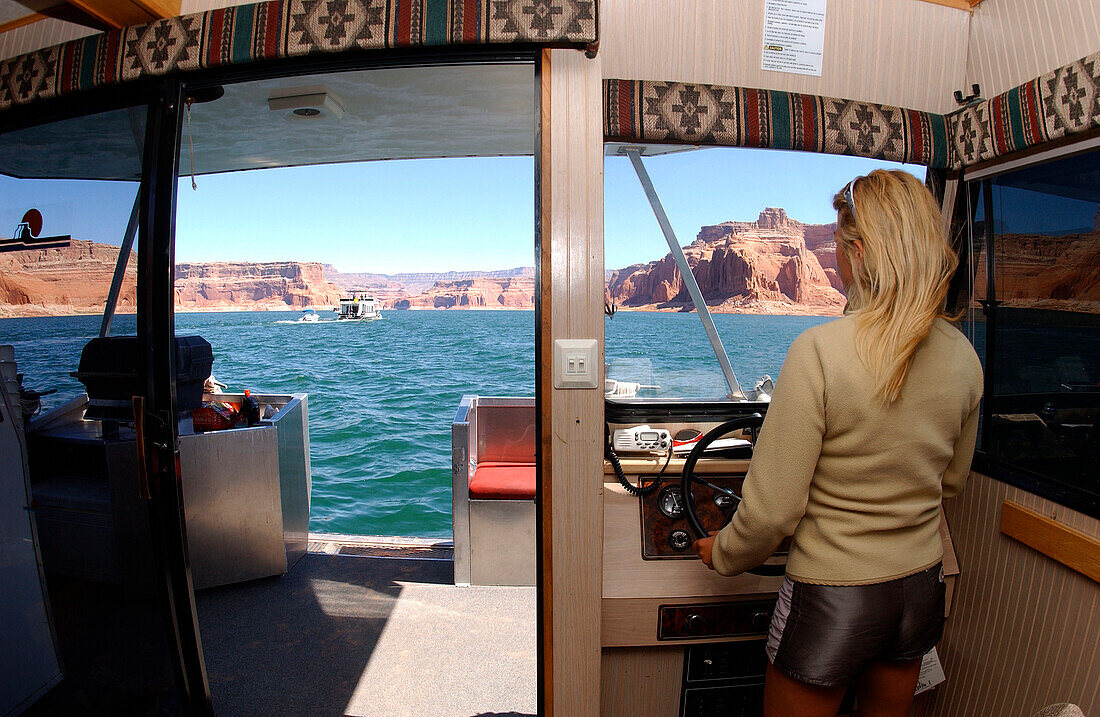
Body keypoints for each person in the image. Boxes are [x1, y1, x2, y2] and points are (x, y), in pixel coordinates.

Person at [692, 169, 983, 717]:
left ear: (862, 250)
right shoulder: (964, 357)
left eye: (840, 245)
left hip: (833, 599)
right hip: (918, 592)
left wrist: (723, 554)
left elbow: (774, 510)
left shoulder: (821, 350)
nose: (837, 263)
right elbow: (951, 481)